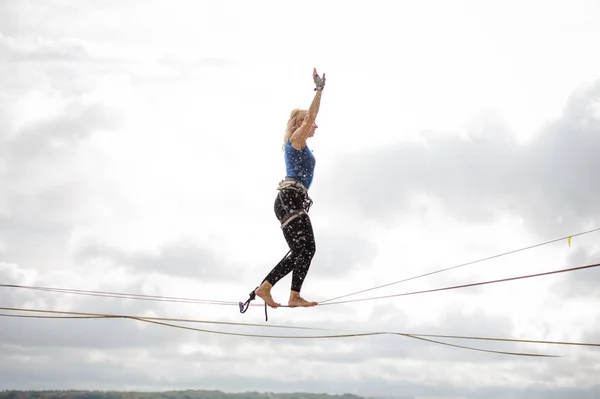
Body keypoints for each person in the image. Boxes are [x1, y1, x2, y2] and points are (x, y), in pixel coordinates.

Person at [254, 68, 326, 309]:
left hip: (291, 200)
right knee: (306, 248)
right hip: (289, 198)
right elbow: (311, 115)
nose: (315, 126)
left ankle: (285, 292)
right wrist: (319, 90)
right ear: (301, 123)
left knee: (303, 250)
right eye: (311, 122)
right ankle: (273, 289)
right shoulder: (295, 140)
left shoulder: (301, 146)